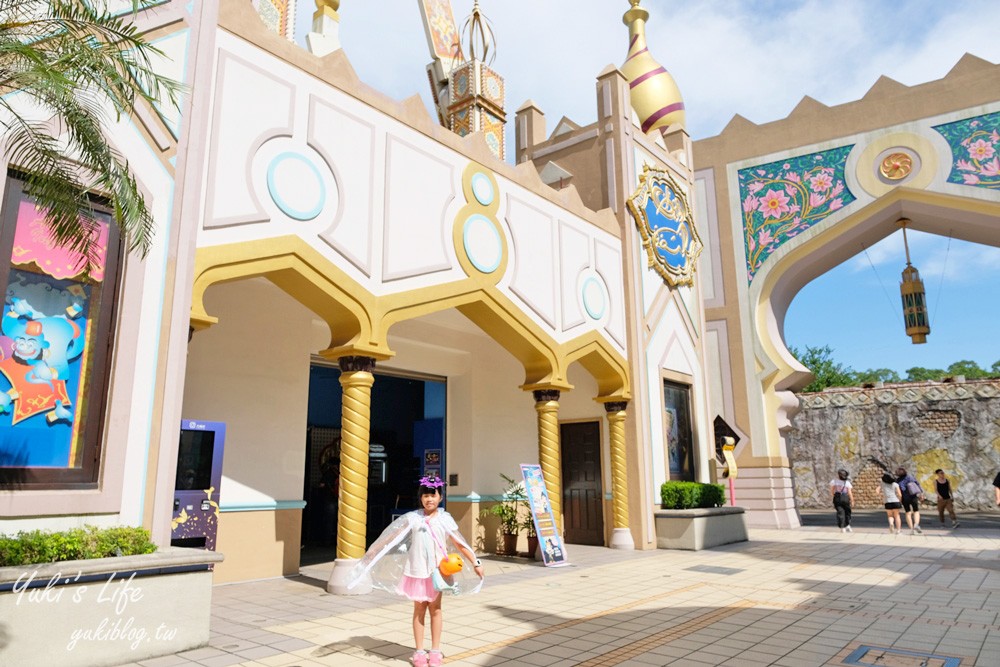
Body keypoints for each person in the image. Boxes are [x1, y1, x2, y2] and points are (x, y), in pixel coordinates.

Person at [347, 475, 484, 667]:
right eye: (425, 495)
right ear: (420, 498)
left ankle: (435, 651)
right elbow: (392, 537)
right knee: (419, 610)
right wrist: (372, 551)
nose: (429, 499)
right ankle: (419, 651)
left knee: (436, 610)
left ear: (440, 497)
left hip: (438, 572)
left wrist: (476, 562)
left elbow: (460, 542)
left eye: (433, 495)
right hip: (416, 571)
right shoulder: (413, 518)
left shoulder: (445, 519)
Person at [896, 467, 924, 534]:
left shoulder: (898, 480)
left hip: (904, 498)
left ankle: (912, 529)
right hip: (913, 496)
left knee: (908, 513)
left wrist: (899, 500)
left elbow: (899, 491)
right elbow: (917, 484)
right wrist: (921, 493)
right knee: (916, 511)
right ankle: (916, 525)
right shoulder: (910, 477)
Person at [830, 468, 854, 533]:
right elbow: (849, 492)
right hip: (845, 497)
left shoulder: (834, 481)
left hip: (837, 497)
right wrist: (852, 501)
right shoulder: (847, 483)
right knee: (847, 512)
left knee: (840, 512)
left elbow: (832, 490)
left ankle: (842, 527)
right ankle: (848, 525)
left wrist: (835, 496)